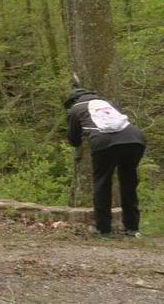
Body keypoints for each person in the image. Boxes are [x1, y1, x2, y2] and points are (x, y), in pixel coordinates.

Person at [65, 88, 146, 237]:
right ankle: (132, 228)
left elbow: (74, 140)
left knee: (102, 183)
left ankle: (104, 229)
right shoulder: (108, 103)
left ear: (73, 101)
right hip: (135, 138)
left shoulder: (75, 109)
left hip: (103, 141)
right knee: (128, 182)